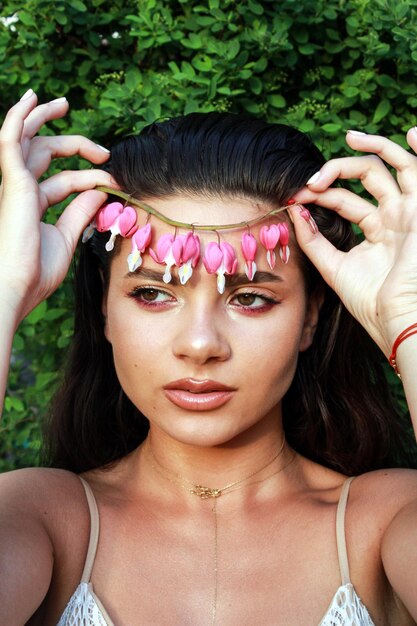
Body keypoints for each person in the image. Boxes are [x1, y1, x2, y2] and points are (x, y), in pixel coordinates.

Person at [0, 90, 416, 626]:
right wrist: (6, 292)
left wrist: (408, 318)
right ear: (103, 309)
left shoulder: (384, 524)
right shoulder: (41, 519)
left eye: (251, 298)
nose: (199, 345)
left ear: (310, 318)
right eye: (152, 293)